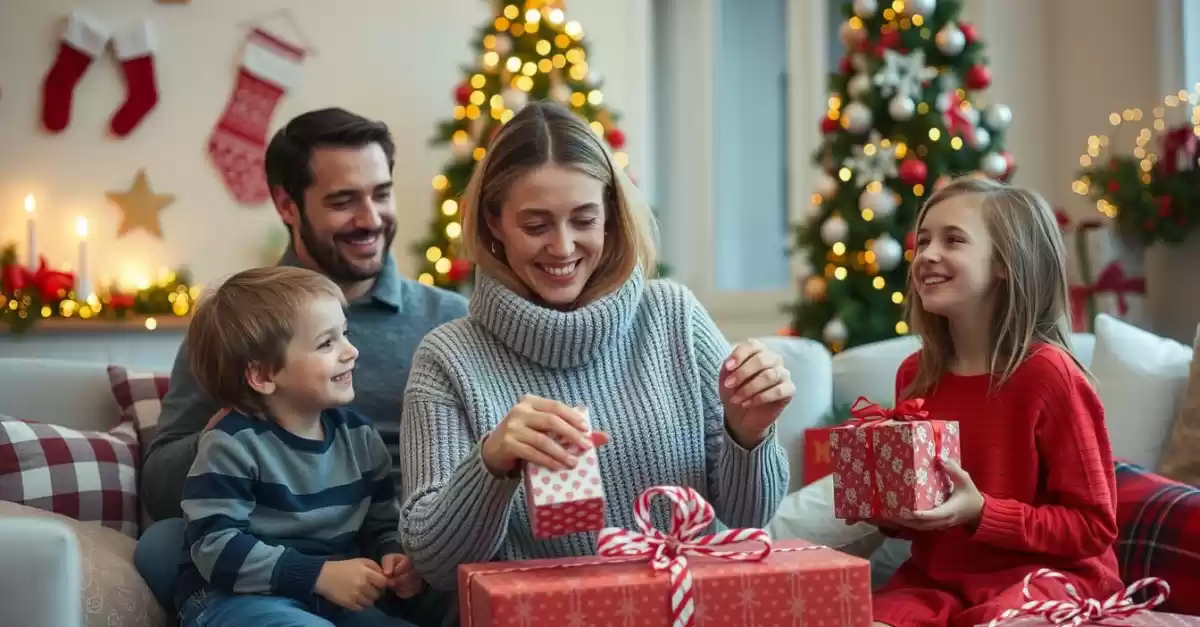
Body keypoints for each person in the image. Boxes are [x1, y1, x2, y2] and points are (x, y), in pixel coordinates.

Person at [397, 101, 794, 599]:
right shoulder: (447, 358)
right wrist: (491, 464)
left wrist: (749, 434)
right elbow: (433, 562)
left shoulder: (673, 315)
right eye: (536, 226)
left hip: (692, 603)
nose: (563, 248)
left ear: (610, 214)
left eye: (583, 220)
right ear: (494, 223)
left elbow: (749, 516)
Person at [133, 107, 467, 624]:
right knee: (163, 544)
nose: (371, 218)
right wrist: (247, 427)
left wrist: (399, 551)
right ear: (287, 204)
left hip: (397, 554)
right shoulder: (239, 324)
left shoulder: (450, 319)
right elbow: (160, 486)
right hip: (264, 539)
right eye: (343, 201)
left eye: (381, 193)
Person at [865, 176, 1122, 627]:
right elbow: (923, 517)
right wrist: (889, 507)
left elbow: (1093, 527)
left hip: (1049, 577)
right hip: (937, 582)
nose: (927, 254)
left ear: (1005, 263)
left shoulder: (1049, 376)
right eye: (922, 241)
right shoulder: (915, 374)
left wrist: (983, 512)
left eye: (953, 240)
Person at [176, 266, 422, 627]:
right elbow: (215, 548)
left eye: (345, 334)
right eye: (327, 343)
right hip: (233, 599)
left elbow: (381, 525)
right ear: (262, 375)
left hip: (328, 600)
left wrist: (394, 557)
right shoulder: (231, 444)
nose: (351, 351)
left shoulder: (361, 439)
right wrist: (319, 575)